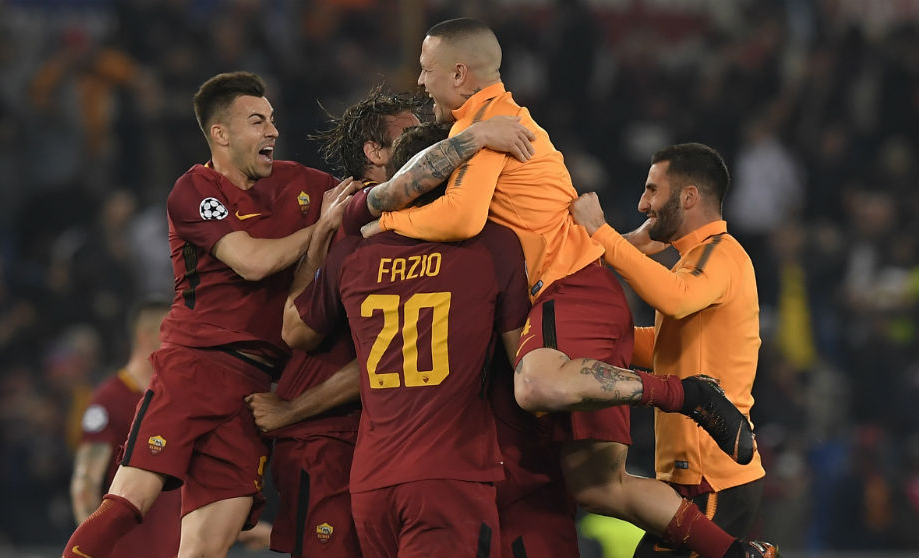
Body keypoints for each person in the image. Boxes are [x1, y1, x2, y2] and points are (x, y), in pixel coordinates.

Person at [357, 18, 773, 558]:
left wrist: (382, 224)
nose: (420, 78)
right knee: (600, 485)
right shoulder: (489, 123)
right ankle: (737, 554)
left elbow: (460, 217)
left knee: (533, 385)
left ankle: (688, 394)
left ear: (459, 73)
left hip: (568, 289)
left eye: (427, 68)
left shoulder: (494, 120)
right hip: (586, 295)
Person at [62, 71, 358, 558]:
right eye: (257, 121)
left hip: (256, 390)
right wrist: (323, 227)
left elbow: (362, 200)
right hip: (194, 367)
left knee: (205, 549)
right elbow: (253, 261)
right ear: (220, 134)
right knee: (127, 502)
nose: (273, 132)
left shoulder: (301, 185)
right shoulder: (194, 190)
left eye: (273, 120)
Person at [281, 121, 532, 558]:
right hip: (450, 476)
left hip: (372, 484)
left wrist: (317, 244)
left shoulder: (353, 250)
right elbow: (525, 371)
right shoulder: (492, 246)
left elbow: (296, 330)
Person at [570, 143, 774, 557]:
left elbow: (676, 298)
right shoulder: (694, 260)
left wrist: (602, 233)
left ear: (689, 197)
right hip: (694, 480)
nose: (643, 203)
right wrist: (588, 339)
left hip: (713, 478)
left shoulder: (721, 255)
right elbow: (662, 346)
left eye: (652, 190)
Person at [244, 88, 424, 558]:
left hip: (361, 438)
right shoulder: (368, 227)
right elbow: (384, 354)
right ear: (374, 153)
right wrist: (292, 410)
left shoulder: (370, 222)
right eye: (410, 134)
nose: (426, 143)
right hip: (324, 436)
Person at [70, 298, 180, 558]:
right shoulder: (110, 399)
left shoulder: (176, 400)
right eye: (173, 332)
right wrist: (94, 550)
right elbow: (85, 485)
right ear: (147, 336)